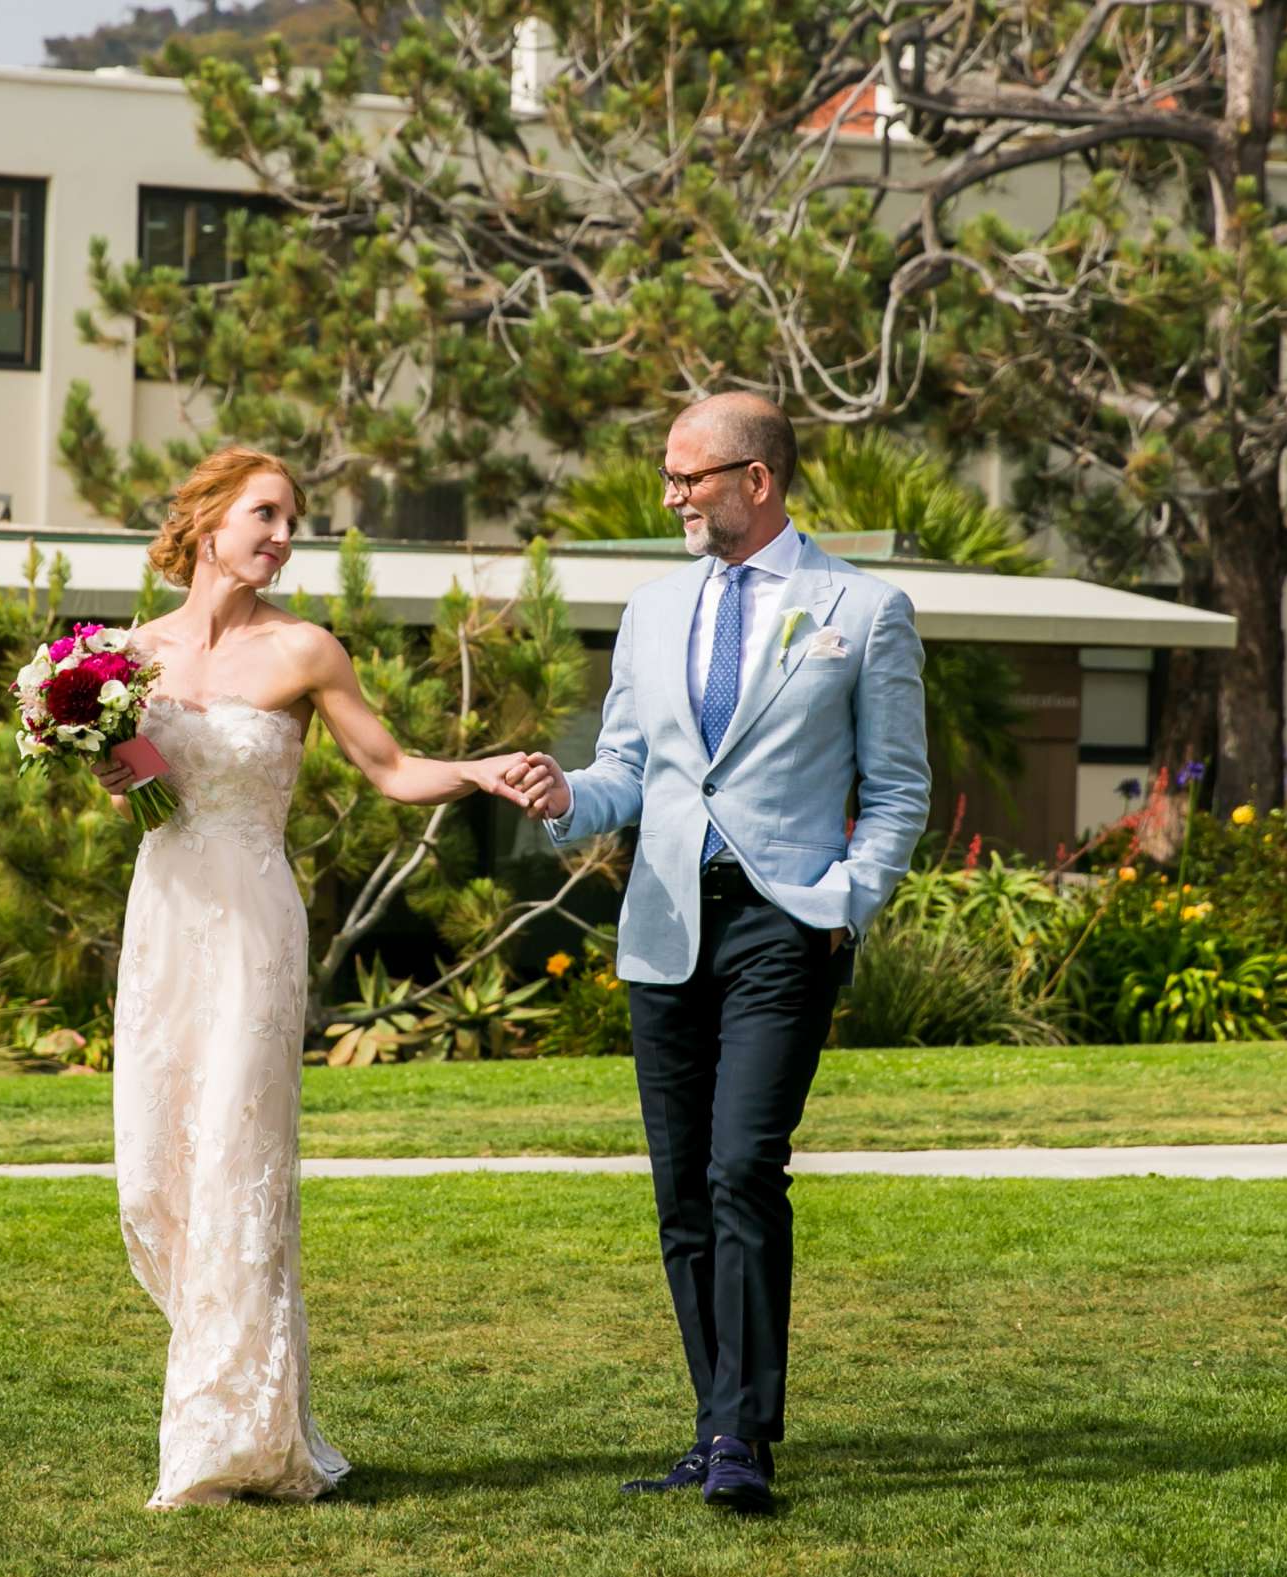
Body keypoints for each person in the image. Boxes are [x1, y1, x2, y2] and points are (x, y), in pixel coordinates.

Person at [508, 394, 930, 1513]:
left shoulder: (865, 607)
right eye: (668, 475)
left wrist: (845, 899)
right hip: (663, 926)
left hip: (784, 924)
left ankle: (742, 1434)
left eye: (690, 476)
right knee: (682, 1189)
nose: (672, 495)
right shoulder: (650, 611)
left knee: (744, 1163)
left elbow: (897, 788)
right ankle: (718, 1425)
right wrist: (564, 798)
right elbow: (626, 772)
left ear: (759, 477)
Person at [91, 445, 526, 1508]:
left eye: (292, 520)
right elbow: (135, 797)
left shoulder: (305, 650)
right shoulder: (121, 657)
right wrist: (114, 772)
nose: (283, 537)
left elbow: (388, 767)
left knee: (237, 1161)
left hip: (251, 925)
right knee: (155, 1167)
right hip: (165, 920)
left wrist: (472, 771)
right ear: (204, 521)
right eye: (266, 514)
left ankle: (230, 1433)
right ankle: (229, 1392)